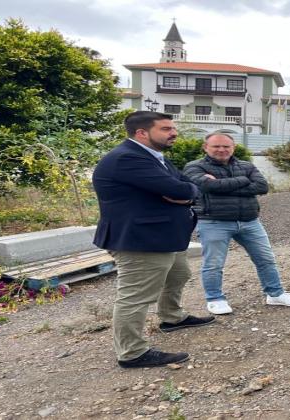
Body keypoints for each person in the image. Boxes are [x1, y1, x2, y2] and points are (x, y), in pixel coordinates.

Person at [92, 111, 215, 369]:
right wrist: (185, 192)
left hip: (163, 236)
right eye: (166, 128)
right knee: (136, 296)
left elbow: (186, 184)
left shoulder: (153, 157)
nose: (174, 132)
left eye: (173, 128)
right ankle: (132, 353)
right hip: (140, 240)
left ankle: (172, 317)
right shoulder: (128, 158)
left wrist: (186, 193)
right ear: (141, 133)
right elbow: (178, 189)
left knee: (178, 275)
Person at [183, 132, 290, 315]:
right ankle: (215, 299)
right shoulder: (194, 167)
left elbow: (262, 187)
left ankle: (275, 294)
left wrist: (222, 187)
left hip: (249, 221)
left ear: (233, 148)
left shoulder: (246, 165)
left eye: (226, 146)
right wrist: (242, 181)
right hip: (214, 222)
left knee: (265, 259)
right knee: (214, 264)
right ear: (205, 147)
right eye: (216, 146)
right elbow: (208, 187)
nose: (222, 150)